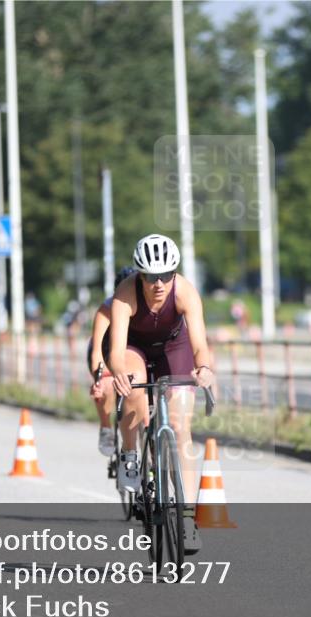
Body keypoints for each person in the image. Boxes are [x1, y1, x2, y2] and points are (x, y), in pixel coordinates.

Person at [107, 234, 215, 553]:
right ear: (140, 275)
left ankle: (186, 518)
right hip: (135, 348)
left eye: (166, 275)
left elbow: (199, 344)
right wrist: (119, 373)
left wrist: (204, 367)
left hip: (174, 347)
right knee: (134, 386)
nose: (159, 284)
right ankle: (130, 454)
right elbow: (115, 351)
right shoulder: (125, 294)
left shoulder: (185, 291)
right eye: (152, 276)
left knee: (181, 428)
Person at [88, 267, 138, 456]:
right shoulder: (107, 309)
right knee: (107, 386)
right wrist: (99, 379)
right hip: (105, 350)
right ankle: (106, 427)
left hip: (131, 352)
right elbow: (97, 354)